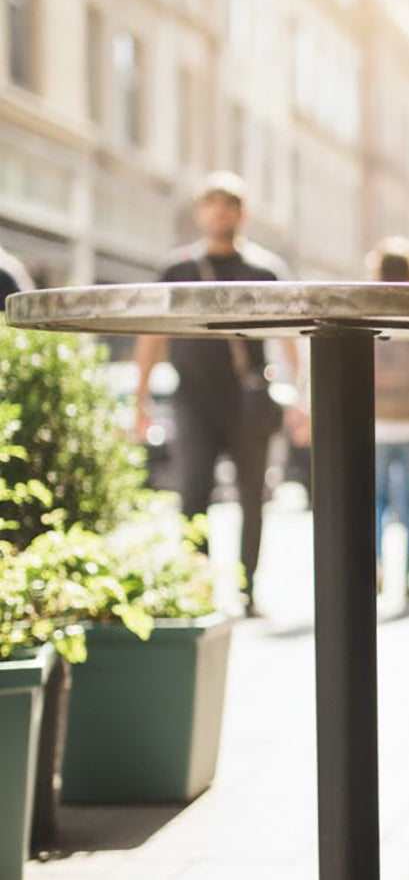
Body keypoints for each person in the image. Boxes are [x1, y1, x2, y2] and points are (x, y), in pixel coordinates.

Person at [132, 172, 303, 617]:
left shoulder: (264, 272)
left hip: (250, 400)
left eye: (229, 204)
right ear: (200, 213)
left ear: (242, 214)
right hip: (192, 401)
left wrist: (301, 397)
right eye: (212, 204)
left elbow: (291, 338)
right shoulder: (177, 270)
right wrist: (139, 400)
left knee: (253, 498)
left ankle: (248, 591)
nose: (220, 212)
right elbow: (150, 336)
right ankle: (200, 588)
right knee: (192, 496)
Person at [367, 237, 409, 606]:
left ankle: (374, 570)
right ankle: (406, 581)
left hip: (375, 422)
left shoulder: (366, 304)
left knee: (375, 504)